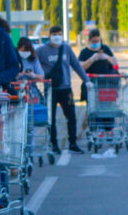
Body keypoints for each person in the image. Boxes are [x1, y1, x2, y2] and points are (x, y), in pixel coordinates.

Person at [37, 25, 92, 154]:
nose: (58, 37)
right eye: (55, 34)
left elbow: (76, 65)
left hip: (66, 88)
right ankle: (54, 143)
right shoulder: (42, 50)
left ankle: (72, 142)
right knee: (51, 118)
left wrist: (86, 80)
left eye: (60, 34)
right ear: (49, 36)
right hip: (51, 89)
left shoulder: (66, 48)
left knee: (71, 116)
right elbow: (32, 62)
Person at [78, 28, 118, 101]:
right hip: (91, 85)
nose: (96, 43)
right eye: (94, 41)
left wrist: (106, 57)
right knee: (92, 107)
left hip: (106, 85)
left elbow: (115, 63)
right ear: (89, 41)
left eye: (97, 41)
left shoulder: (105, 49)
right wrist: (92, 59)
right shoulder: (84, 52)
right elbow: (81, 68)